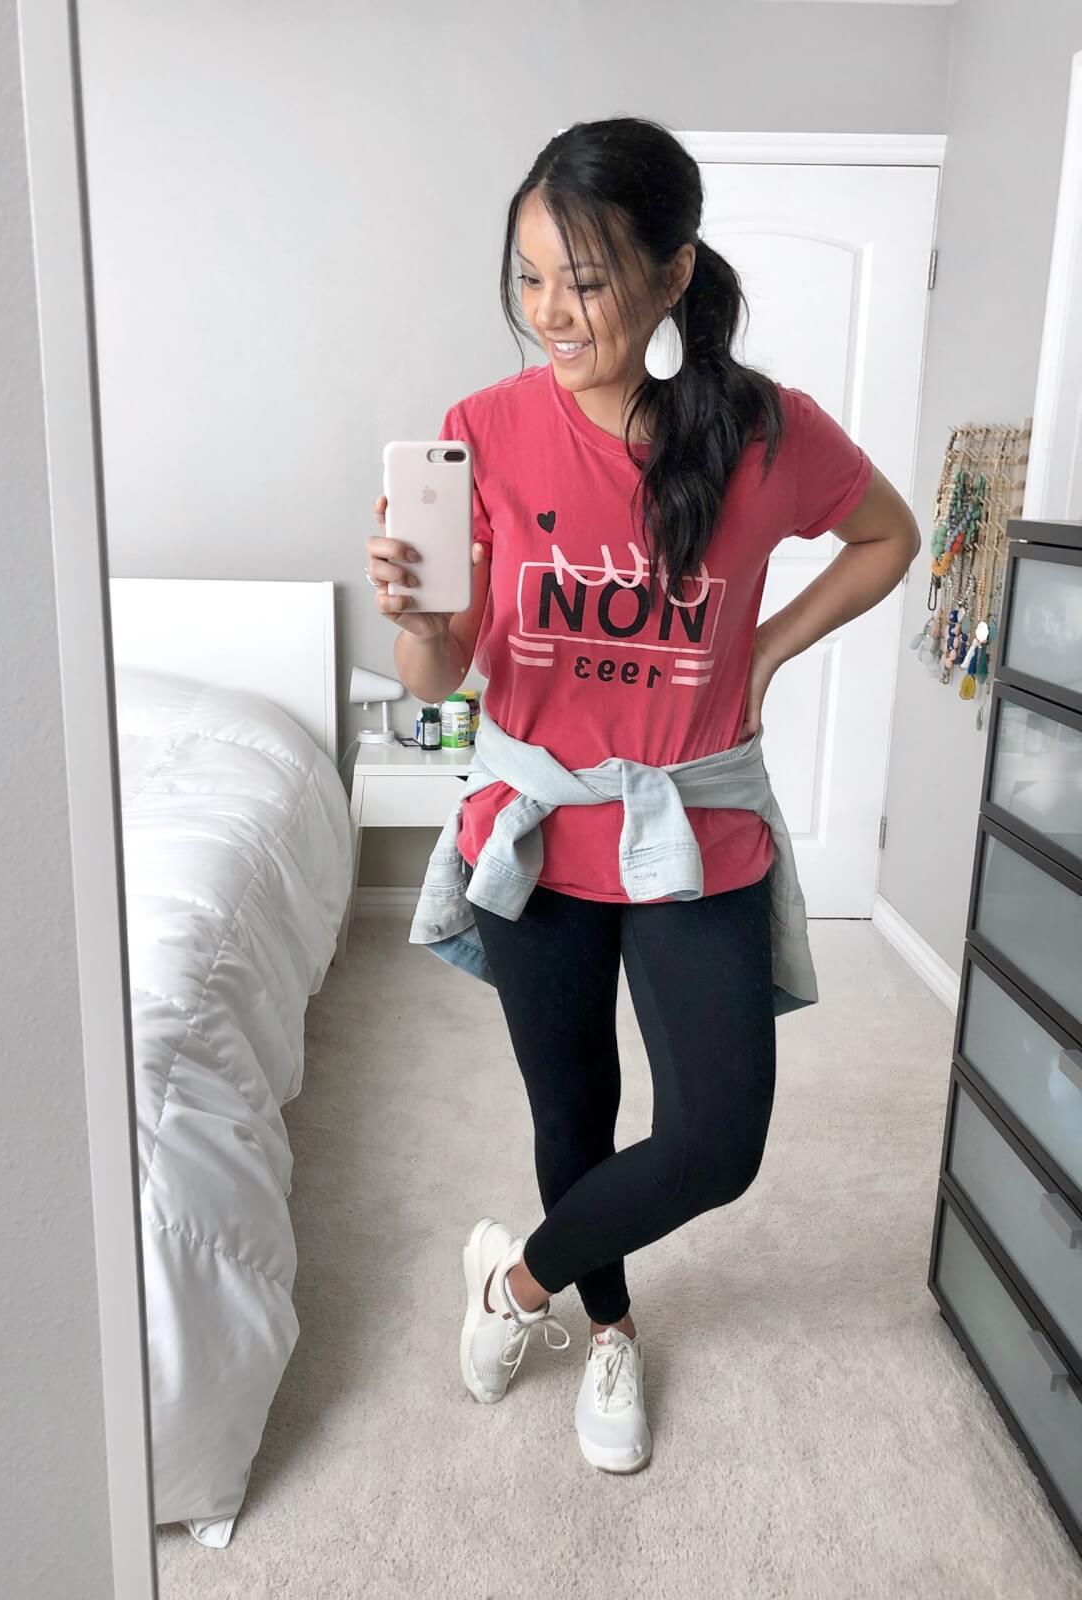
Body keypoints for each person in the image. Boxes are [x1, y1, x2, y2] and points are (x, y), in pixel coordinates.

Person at [364, 116, 920, 1474]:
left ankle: (516, 1284)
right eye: (531, 278)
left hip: (695, 829)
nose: (553, 314)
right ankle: (608, 1334)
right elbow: (437, 683)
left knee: (718, 1140)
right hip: (536, 835)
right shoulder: (476, 433)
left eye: (590, 280)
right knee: (574, 1117)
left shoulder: (763, 430)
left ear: (674, 275)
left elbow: (891, 534)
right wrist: (419, 617)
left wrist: (774, 645)